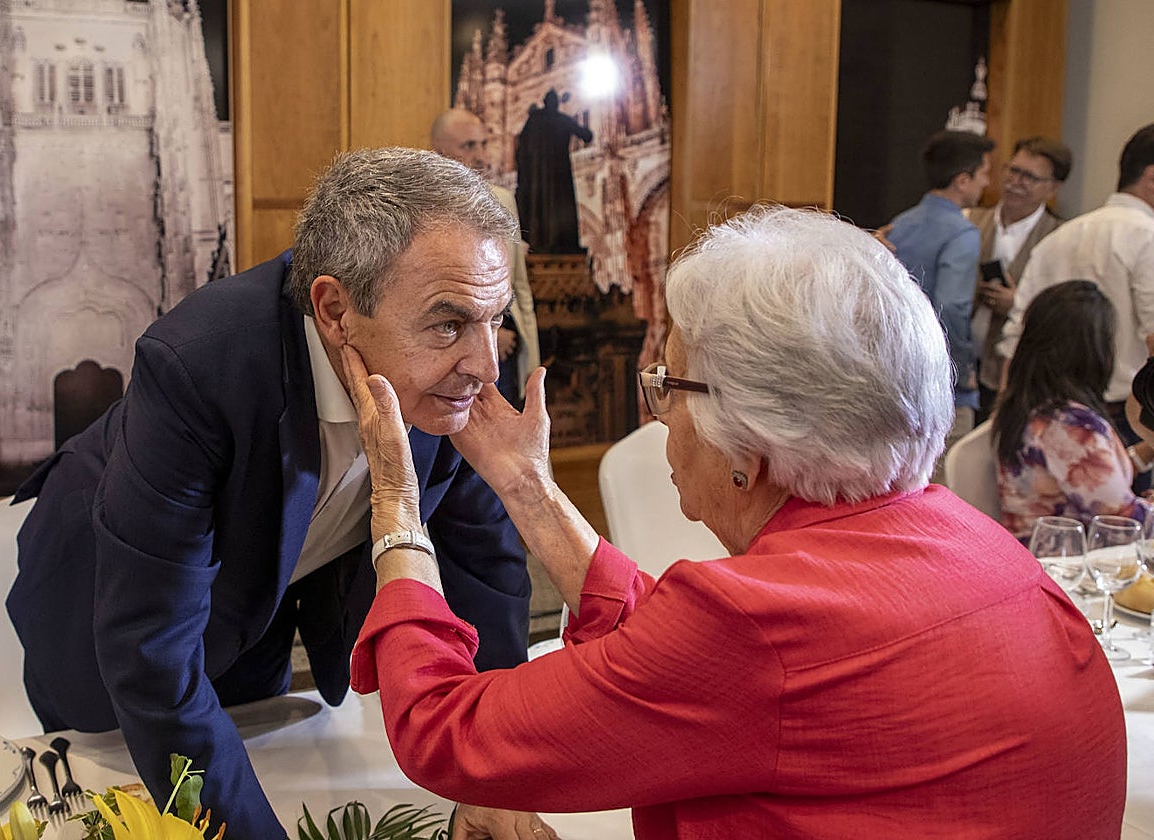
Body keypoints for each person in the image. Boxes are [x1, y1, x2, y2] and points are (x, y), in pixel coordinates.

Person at [345, 206, 1126, 839]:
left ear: (749, 443)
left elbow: (443, 732)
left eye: (669, 385)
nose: (659, 416)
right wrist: (528, 487)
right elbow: (689, 661)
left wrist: (396, 504)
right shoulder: (973, 539)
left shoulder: (757, 625)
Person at [6, 148, 546, 839]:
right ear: (335, 310)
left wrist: (492, 778)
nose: (486, 367)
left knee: (258, 750)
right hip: (105, 601)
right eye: (449, 324)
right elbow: (151, 656)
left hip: (258, 604)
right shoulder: (197, 366)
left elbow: (485, 575)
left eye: (494, 319)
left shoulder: (450, 371)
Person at [1000, 124, 1154, 458]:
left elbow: (1016, 337)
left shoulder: (1058, 237)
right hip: (1122, 421)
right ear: (1151, 177)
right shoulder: (1148, 237)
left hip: (1037, 417)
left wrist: (1002, 423)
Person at [993, 281, 1152, 543]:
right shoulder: (1069, 426)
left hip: (1038, 556)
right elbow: (1124, 524)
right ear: (1092, 351)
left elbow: (1095, 479)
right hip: (1066, 561)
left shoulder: (1033, 410)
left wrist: (1147, 451)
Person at [887, 129, 995, 481]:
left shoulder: (899, 224)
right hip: (942, 380)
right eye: (984, 174)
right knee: (947, 483)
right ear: (963, 180)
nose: (987, 183)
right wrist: (963, 371)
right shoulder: (962, 233)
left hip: (896, 370)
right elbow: (952, 307)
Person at [431, 107, 541, 408]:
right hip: (446, 353)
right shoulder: (423, 209)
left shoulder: (503, 201)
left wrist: (531, 359)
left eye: (483, 144)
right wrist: (487, 332)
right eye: (469, 146)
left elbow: (519, 288)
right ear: (439, 152)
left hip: (504, 355)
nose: (480, 155)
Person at [967, 136, 1071, 422]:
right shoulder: (969, 219)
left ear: (1054, 187)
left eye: (1030, 177)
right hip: (960, 362)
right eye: (1013, 171)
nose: (1016, 182)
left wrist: (1018, 304)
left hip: (1013, 374)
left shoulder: (1060, 237)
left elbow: (1064, 315)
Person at [514, 89, 593, 254]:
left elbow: (521, 149)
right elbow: (587, 135)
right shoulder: (562, 119)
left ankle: (540, 241)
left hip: (537, 176)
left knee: (539, 207)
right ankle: (559, 242)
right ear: (556, 104)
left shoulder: (534, 120)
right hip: (560, 175)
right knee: (560, 206)